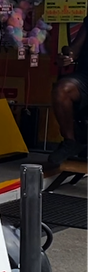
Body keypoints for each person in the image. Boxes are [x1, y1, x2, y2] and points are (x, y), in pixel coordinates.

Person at [45, 15, 88, 170]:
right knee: (62, 90)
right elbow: (74, 50)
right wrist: (67, 56)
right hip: (85, 78)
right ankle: (70, 141)